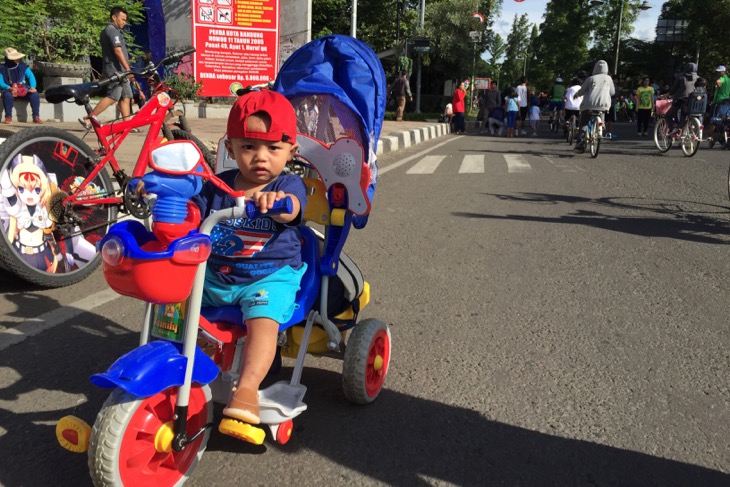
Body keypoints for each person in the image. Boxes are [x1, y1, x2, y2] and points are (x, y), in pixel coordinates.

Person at [191, 90, 308, 430]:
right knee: (174, 298)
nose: (261, 157)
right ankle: (181, 365)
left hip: (267, 275)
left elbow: (294, 209)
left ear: (291, 151)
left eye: (273, 148)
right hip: (217, 274)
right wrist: (166, 196)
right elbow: (193, 211)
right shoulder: (217, 186)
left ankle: (247, 389)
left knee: (263, 320)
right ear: (230, 149)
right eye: (248, 147)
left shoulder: (288, 183)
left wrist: (280, 202)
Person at [79, 6, 141, 131]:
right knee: (113, 96)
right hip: (116, 70)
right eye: (122, 19)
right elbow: (117, 51)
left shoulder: (111, 31)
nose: (124, 22)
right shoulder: (112, 30)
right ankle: (88, 118)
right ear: (114, 17)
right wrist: (128, 69)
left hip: (120, 70)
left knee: (126, 96)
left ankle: (126, 125)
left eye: (125, 20)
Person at [572, 60, 615, 152]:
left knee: (584, 122)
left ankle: (580, 142)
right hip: (603, 104)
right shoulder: (609, 79)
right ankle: (601, 127)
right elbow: (612, 92)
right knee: (601, 112)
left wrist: (577, 95)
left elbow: (582, 91)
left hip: (589, 104)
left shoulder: (591, 79)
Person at [0, 48, 42, 124]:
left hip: (23, 89)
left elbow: (31, 77)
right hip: (9, 89)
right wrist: (9, 88)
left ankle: (36, 116)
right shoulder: (1, 68)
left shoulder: (23, 67)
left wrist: (33, 87)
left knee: (34, 95)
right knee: (7, 95)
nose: (17, 60)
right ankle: (8, 117)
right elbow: (1, 82)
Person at [664, 62, 698, 135]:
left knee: (668, 115)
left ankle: (673, 129)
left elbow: (674, 89)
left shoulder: (681, 77)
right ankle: (681, 128)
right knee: (684, 115)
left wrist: (667, 94)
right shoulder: (698, 78)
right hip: (693, 100)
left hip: (680, 99)